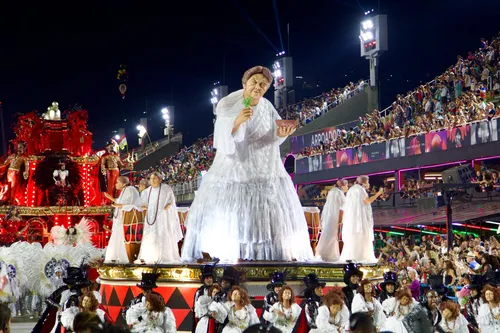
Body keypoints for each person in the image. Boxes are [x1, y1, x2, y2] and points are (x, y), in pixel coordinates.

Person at [181, 66, 313, 262]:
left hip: (265, 166)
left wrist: (281, 134)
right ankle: (235, 253)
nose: (257, 87)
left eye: (263, 84)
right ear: (245, 83)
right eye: (254, 83)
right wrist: (236, 122)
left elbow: (273, 133)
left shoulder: (267, 106)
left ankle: (264, 254)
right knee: (237, 211)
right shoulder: (228, 104)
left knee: (264, 213)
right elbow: (221, 135)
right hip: (237, 166)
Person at [136, 172, 182, 264]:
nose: (152, 180)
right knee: (151, 235)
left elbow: (171, 200)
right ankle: (149, 256)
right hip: (151, 217)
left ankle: (165, 256)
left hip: (163, 217)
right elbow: (142, 203)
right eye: (151, 179)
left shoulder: (166, 188)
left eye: (155, 178)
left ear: (160, 179)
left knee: (163, 233)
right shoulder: (147, 191)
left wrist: (169, 205)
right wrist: (143, 206)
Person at [339, 175, 383, 263]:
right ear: (363, 182)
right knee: (362, 236)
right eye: (367, 182)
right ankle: (361, 256)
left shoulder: (351, 190)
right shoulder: (360, 189)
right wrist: (378, 193)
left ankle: (352, 255)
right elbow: (367, 201)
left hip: (352, 220)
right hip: (361, 218)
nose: (368, 184)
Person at [104, 176, 141, 263]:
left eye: (117, 182)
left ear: (124, 184)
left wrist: (119, 206)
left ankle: (125, 258)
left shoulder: (130, 189)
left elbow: (132, 204)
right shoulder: (123, 191)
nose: (116, 184)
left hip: (126, 220)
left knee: (122, 238)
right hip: (119, 220)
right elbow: (120, 202)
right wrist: (111, 198)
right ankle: (115, 258)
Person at [315, 180, 348, 262]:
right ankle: (330, 254)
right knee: (333, 235)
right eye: (346, 185)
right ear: (343, 186)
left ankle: (324, 253)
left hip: (329, 215)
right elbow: (344, 204)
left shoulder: (332, 191)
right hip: (336, 215)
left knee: (328, 233)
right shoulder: (339, 193)